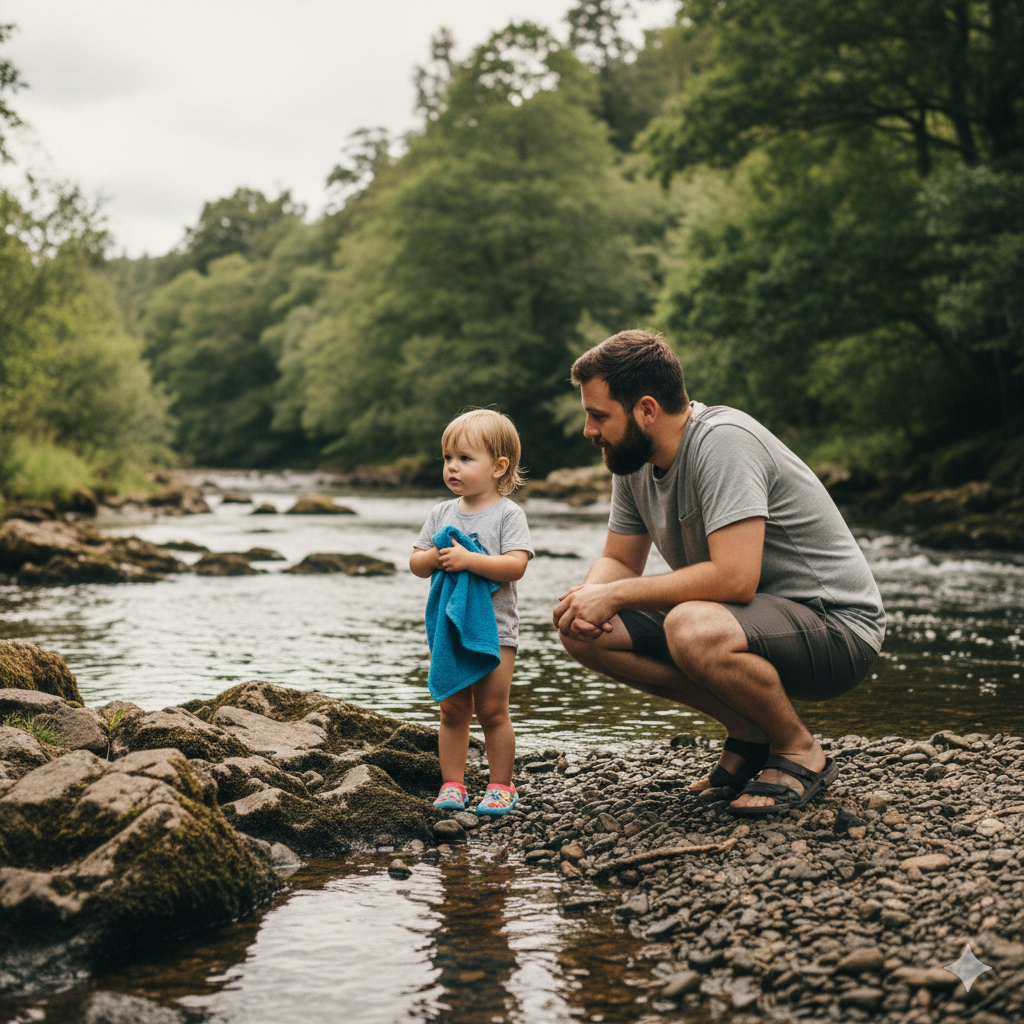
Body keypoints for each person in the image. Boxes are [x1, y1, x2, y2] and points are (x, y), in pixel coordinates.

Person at [552, 331, 885, 818]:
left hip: (836, 628)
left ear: (646, 410)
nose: (588, 429)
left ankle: (797, 749)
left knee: (690, 626)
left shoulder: (724, 442)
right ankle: (748, 732)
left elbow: (735, 579)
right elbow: (621, 560)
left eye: (598, 414)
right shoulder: (633, 462)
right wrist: (591, 596)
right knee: (584, 632)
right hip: (749, 621)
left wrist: (617, 594)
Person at [411, 409, 534, 816]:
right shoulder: (441, 514)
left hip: (496, 628)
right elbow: (416, 564)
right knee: (452, 707)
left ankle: (501, 785)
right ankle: (453, 783)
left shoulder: (507, 514)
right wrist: (434, 555)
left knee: (493, 709)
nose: (452, 467)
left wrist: (469, 560)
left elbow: (515, 565)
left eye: (465, 458)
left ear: (499, 467)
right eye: (448, 458)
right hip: (450, 627)